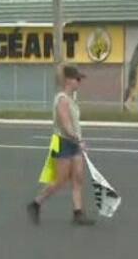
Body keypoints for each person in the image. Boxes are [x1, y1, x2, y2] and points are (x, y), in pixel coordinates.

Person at [27, 65, 96, 226]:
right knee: (60, 180)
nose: (79, 82)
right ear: (68, 80)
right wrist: (78, 140)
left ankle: (78, 213)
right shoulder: (62, 99)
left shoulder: (72, 99)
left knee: (78, 178)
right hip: (62, 142)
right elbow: (65, 124)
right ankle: (36, 203)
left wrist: (78, 141)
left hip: (74, 143)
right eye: (77, 79)